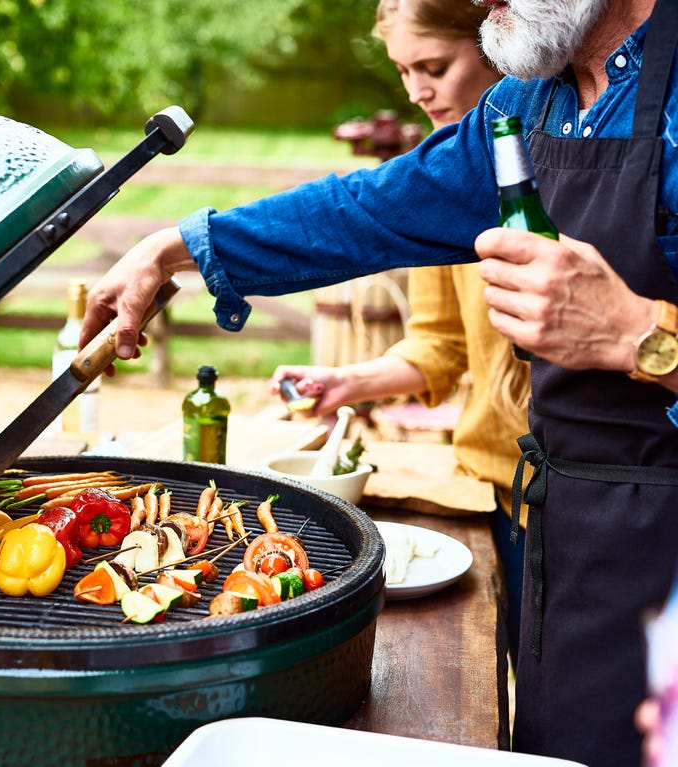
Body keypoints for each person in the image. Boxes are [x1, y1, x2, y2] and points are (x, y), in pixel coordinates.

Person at [81, 1, 678, 765]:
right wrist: (177, 247)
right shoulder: (532, 103)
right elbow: (372, 208)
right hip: (573, 541)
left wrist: (640, 333)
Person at [270, 0, 528, 667]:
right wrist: (350, 381)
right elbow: (440, 342)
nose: (418, 90)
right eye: (405, 71)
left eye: (434, 66)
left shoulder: (555, 159)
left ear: (498, 41)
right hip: (487, 485)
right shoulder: (437, 185)